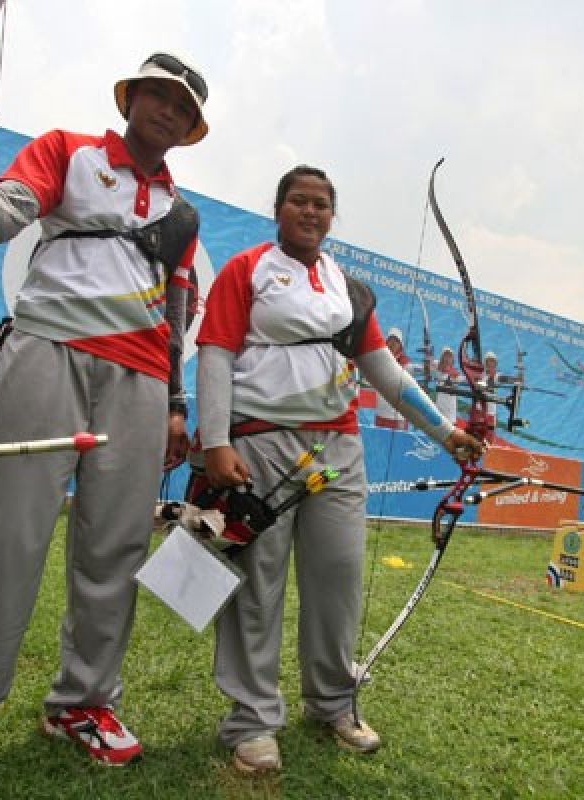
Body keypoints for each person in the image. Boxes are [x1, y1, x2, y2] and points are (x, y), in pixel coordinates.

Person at [0, 51, 209, 799]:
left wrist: (175, 398)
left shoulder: (182, 214)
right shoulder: (68, 150)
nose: (166, 110)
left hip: (137, 379)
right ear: (131, 99)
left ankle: (84, 702)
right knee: (6, 539)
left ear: (192, 128)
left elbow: (178, 310)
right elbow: (4, 211)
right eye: (156, 95)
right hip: (46, 352)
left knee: (117, 546)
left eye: (181, 107)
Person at [194, 165, 483, 773]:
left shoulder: (349, 291)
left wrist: (447, 431)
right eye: (299, 201)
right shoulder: (247, 269)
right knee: (256, 587)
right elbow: (216, 353)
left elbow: (384, 371)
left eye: (322, 204)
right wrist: (217, 441)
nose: (311, 211)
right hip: (260, 445)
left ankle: (332, 704)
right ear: (279, 209)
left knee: (339, 578)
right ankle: (252, 722)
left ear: (332, 215)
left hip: (337, 452)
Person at [372, 327, 411, 430]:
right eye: (390, 340)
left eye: (396, 341)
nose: (393, 344)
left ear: (401, 346)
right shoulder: (378, 359)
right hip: (381, 414)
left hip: (399, 418)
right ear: (386, 342)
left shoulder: (406, 364)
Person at [433, 345, 461, 422]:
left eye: (450, 357)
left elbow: (463, 379)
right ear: (442, 359)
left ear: (453, 360)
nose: (447, 359)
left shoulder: (456, 375)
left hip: (450, 414)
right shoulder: (438, 371)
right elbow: (431, 364)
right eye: (445, 356)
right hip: (439, 412)